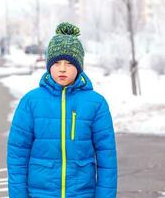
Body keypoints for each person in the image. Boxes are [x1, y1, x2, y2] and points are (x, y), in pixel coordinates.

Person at [7, 22, 117, 198]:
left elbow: (107, 158)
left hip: (82, 193)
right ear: (49, 64)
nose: (62, 68)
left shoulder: (96, 104)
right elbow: (17, 154)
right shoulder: (30, 102)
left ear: (79, 66)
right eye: (57, 62)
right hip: (40, 193)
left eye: (69, 63)